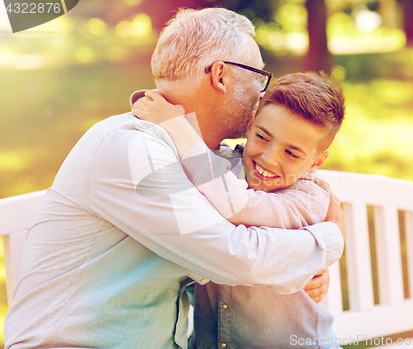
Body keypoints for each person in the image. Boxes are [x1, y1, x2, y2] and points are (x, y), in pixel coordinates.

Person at [4, 8, 344, 349]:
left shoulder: (202, 158)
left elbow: (262, 211)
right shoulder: (134, 151)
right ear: (221, 76)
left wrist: (301, 258)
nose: (260, 93)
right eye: (258, 75)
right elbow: (237, 257)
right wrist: (328, 241)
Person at [132, 72, 345, 348]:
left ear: (316, 162)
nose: (268, 158)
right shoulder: (223, 164)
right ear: (250, 124)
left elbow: (238, 205)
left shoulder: (310, 198)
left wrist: (176, 126)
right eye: (262, 137)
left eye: (291, 154)